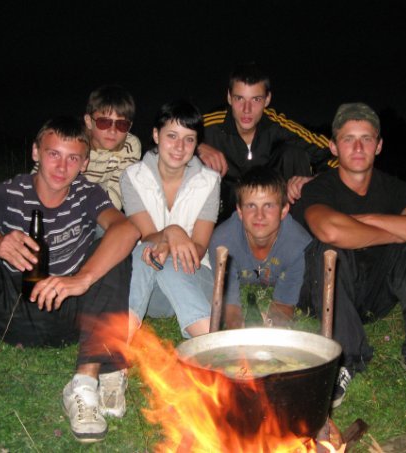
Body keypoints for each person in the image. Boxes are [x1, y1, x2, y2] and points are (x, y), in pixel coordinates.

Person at [0, 116, 140, 443]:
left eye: (73, 158)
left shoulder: (88, 194)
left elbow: (127, 229)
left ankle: (84, 386)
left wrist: (82, 279)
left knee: (113, 254)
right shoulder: (9, 193)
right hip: (13, 312)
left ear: (84, 164)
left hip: (70, 313)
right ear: (36, 152)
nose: (62, 167)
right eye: (53, 154)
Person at [292, 102, 406, 409]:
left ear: (379, 145)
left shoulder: (395, 189)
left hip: (375, 297)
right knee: (328, 249)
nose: (358, 147)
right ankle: (345, 359)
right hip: (326, 295)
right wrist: (399, 230)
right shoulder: (319, 188)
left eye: (366, 138)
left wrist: (369, 220)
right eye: (348, 139)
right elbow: (330, 230)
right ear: (333, 147)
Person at [120, 99, 220, 344]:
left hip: (194, 278)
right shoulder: (132, 177)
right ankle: (122, 338)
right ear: (156, 135)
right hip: (149, 288)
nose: (179, 147)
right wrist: (171, 232)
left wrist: (169, 245)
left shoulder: (209, 181)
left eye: (189, 139)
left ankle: (209, 340)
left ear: (196, 143)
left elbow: (199, 246)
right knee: (145, 250)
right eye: (172, 136)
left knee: (159, 256)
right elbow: (146, 235)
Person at [198, 62, 337, 223]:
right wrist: (197, 146)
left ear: (267, 99)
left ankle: (297, 229)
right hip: (225, 211)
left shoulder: (278, 126)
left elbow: (336, 154)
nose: (247, 109)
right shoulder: (210, 125)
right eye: (239, 98)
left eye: (256, 99)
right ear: (229, 97)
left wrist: (314, 180)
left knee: (293, 154)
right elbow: (172, 136)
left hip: (273, 208)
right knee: (193, 160)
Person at [209, 166, 311, 329]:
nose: (259, 215)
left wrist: (270, 328)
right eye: (251, 206)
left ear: (284, 210)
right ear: (240, 211)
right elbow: (230, 308)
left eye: (268, 206)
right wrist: (240, 329)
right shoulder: (223, 242)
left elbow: (284, 305)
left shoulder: (299, 245)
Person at [32, 84, 141, 213]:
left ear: (129, 127)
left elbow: (117, 191)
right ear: (89, 121)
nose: (113, 131)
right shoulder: (74, 141)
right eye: (104, 122)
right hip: (60, 198)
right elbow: (40, 176)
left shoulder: (130, 146)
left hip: (98, 204)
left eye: (122, 124)